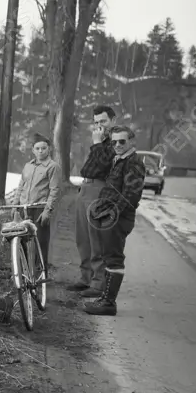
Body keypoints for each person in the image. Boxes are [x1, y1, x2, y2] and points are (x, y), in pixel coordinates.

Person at [83, 125, 147, 316]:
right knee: (108, 256)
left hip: (118, 219)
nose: (117, 145)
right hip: (110, 217)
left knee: (114, 259)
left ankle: (109, 304)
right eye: (114, 142)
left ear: (131, 142)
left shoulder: (133, 162)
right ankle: (105, 299)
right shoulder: (118, 160)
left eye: (122, 141)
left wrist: (112, 214)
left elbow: (131, 195)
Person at [70, 105, 117, 295]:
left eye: (103, 121)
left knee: (96, 239)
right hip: (86, 187)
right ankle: (86, 278)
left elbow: (105, 165)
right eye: (96, 122)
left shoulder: (116, 141)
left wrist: (97, 143)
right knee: (83, 238)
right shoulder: (100, 141)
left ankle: (98, 284)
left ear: (113, 121)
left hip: (99, 188)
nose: (99, 125)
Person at [13, 133, 60, 270]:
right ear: (33, 150)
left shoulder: (53, 167)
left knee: (40, 241)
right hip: (24, 208)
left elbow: (54, 190)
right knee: (22, 239)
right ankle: (25, 272)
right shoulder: (28, 166)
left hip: (40, 209)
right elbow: (21, 186)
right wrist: (16, 205)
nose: (40, 151)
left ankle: (41, 271)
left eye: (43, 148)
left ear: (49, 149)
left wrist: (47, 211)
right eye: (37, 148)